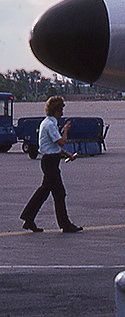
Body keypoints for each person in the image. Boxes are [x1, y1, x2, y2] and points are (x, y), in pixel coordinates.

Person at [20, 96, 83, 234]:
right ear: (56, 111)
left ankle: (28, 219)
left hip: (50, 160)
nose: (62, 113)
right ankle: (65, 225)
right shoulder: (50, 124)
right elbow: (61, 142)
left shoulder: (47, 123)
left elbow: (54, 146)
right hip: (50, 163)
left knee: (44, 191)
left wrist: (69, 155)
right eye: (61, 110)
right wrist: (66, 130)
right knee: (60, 193)